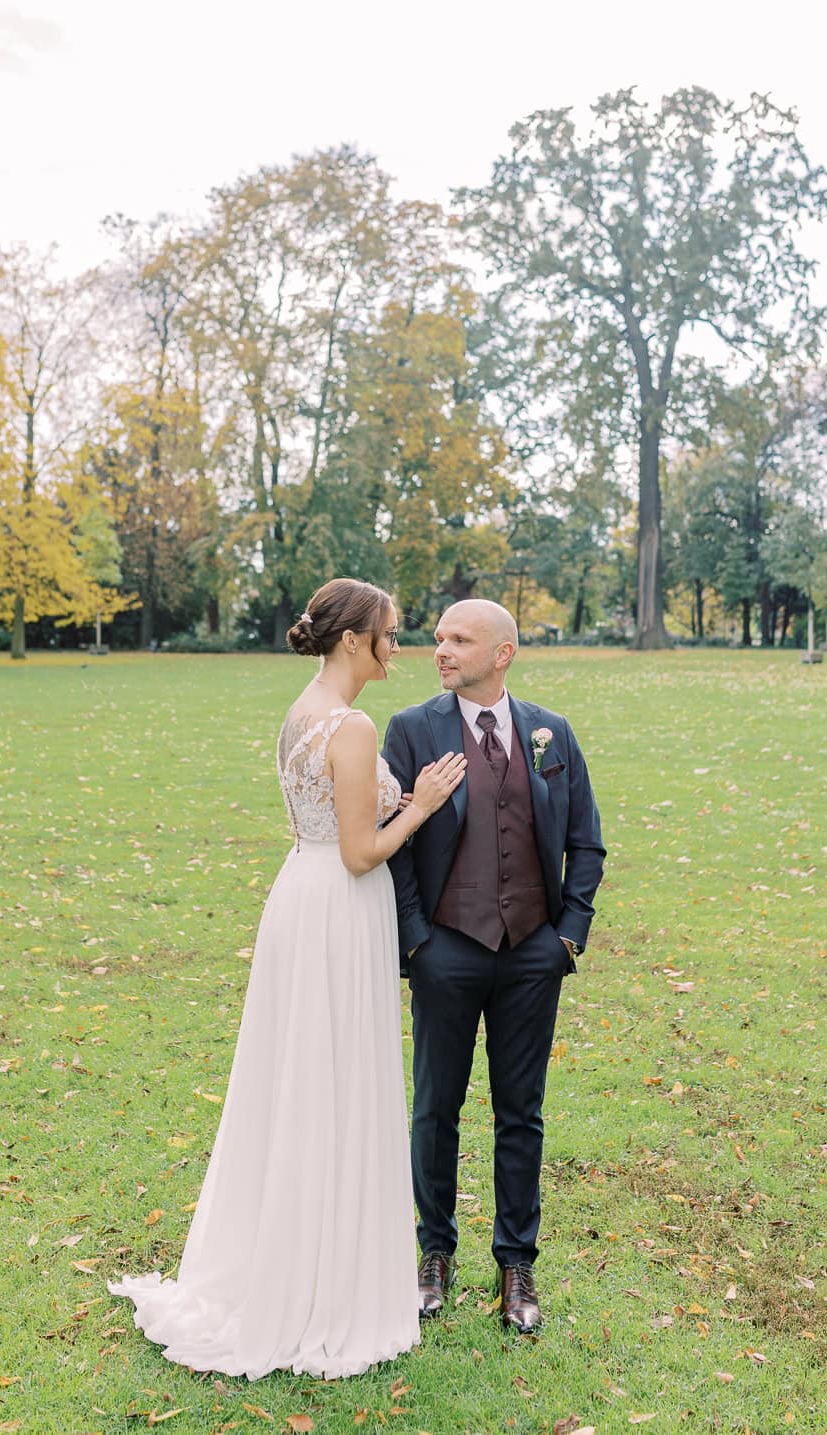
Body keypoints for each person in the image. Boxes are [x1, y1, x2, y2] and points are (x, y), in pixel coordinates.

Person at [109, 577, 466, 1379]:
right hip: (339, 903)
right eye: (390, 634)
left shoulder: (300, 713)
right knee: (330, 1078)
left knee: (300, 1077)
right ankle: (325, 1287)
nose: (398, 647)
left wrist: (387, 804)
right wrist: (424, 804)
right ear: (354, 641)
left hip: (301, 897)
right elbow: (360, 850)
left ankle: (305, 1252)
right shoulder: (353, 724)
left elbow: (323, 824)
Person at [382, 599, 606, 1335]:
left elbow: (587, 842)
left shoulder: (552, 732)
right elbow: (398, 843)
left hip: (531, 956)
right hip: (446, 952)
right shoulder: (413, 730)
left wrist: (565, 938)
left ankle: (516, 1261)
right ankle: (434, 1252)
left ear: (502, 652)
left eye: (458, 639)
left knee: (522, 1113)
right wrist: (418, 942)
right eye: (439, 637)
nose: (439, 649)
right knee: (434, 1108)